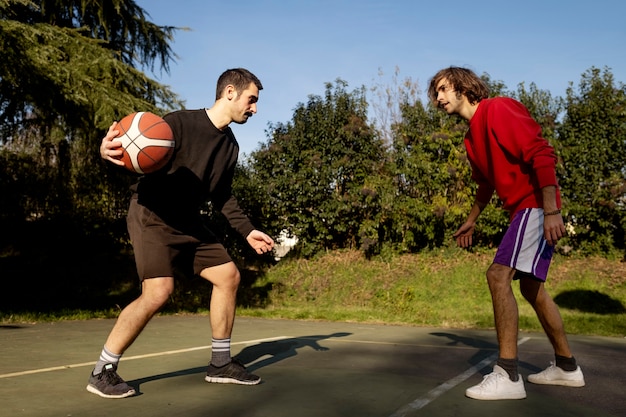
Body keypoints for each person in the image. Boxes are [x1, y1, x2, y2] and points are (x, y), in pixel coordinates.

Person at [88, 68, 275, 399]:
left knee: (228, 276)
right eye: (252, 100)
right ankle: (102, 370)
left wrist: (248, 231)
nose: (255, 109)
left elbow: (222, 196)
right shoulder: (177, 123)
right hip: (152, 215)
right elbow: (135, 152)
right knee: (158, 292)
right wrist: (109, 155)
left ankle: (220, 364)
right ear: (230, 92)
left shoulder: (230, 147)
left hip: (187, 221)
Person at [427, 66, 585, 401]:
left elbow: (541, 152)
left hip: (536, 205)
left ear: (462, 86)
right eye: (436, 93)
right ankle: (567, 367)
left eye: (442, 90)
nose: (438, 99)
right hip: (524, 210)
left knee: (498, 275)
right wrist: (472, 219)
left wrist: (551, 210)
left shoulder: (497, 109)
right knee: (532, 289)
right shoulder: (471, 139)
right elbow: (486, 185)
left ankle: (508, 374)